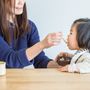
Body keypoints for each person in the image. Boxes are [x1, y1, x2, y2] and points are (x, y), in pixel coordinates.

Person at [0, 0, 62, 68]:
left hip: (18, 78)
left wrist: (61, 67)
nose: (21, 2)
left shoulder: (30, 27)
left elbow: (39, 60)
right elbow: (10, 60)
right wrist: (42, 44)